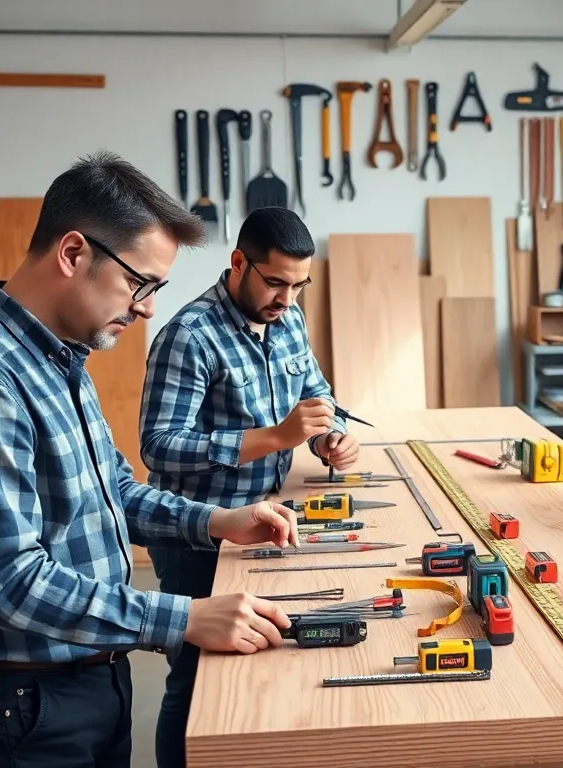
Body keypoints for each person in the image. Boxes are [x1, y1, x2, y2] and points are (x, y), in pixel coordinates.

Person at [0, 151, 302, 768]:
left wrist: (216, 522)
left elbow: (112, 491)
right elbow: (12, 582)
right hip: (20, 702)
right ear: (72, 254)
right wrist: (183, 617)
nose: (146, 308)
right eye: (140, 283)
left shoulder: (61, 358)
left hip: (86, 678)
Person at [138, 205, 356, 768]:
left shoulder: (288, 320)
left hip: (260, 525)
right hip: (196, 535)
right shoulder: (189, 335)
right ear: (239, 263)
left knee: (255, 668)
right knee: (194, 681)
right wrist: (274, 436)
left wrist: (330, 437)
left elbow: (317, 397)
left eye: (300, 285)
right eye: (277, 282)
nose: (288, 299)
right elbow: (159, 446)